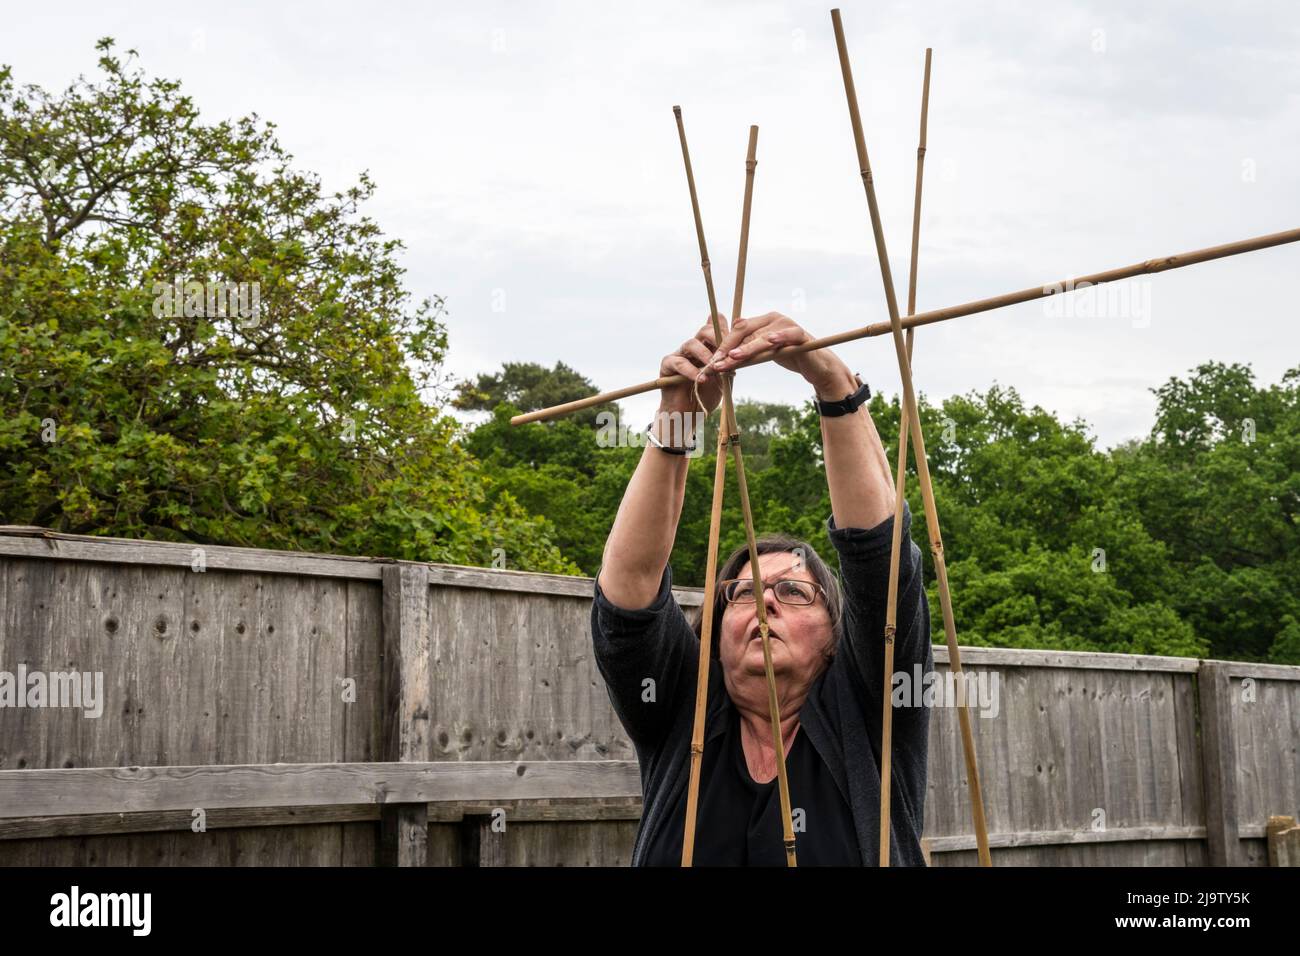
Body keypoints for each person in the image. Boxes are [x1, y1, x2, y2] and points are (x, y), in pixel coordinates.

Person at [590, 311, 934, 866]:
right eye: (743, 593)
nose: (765, 600)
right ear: (717, 634)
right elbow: (626, 597)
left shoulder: (872, 713)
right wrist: (676, 419)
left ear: (834, 638)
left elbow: (881, 562)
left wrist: (831, 381)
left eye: (794, 592)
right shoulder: (682, 713)